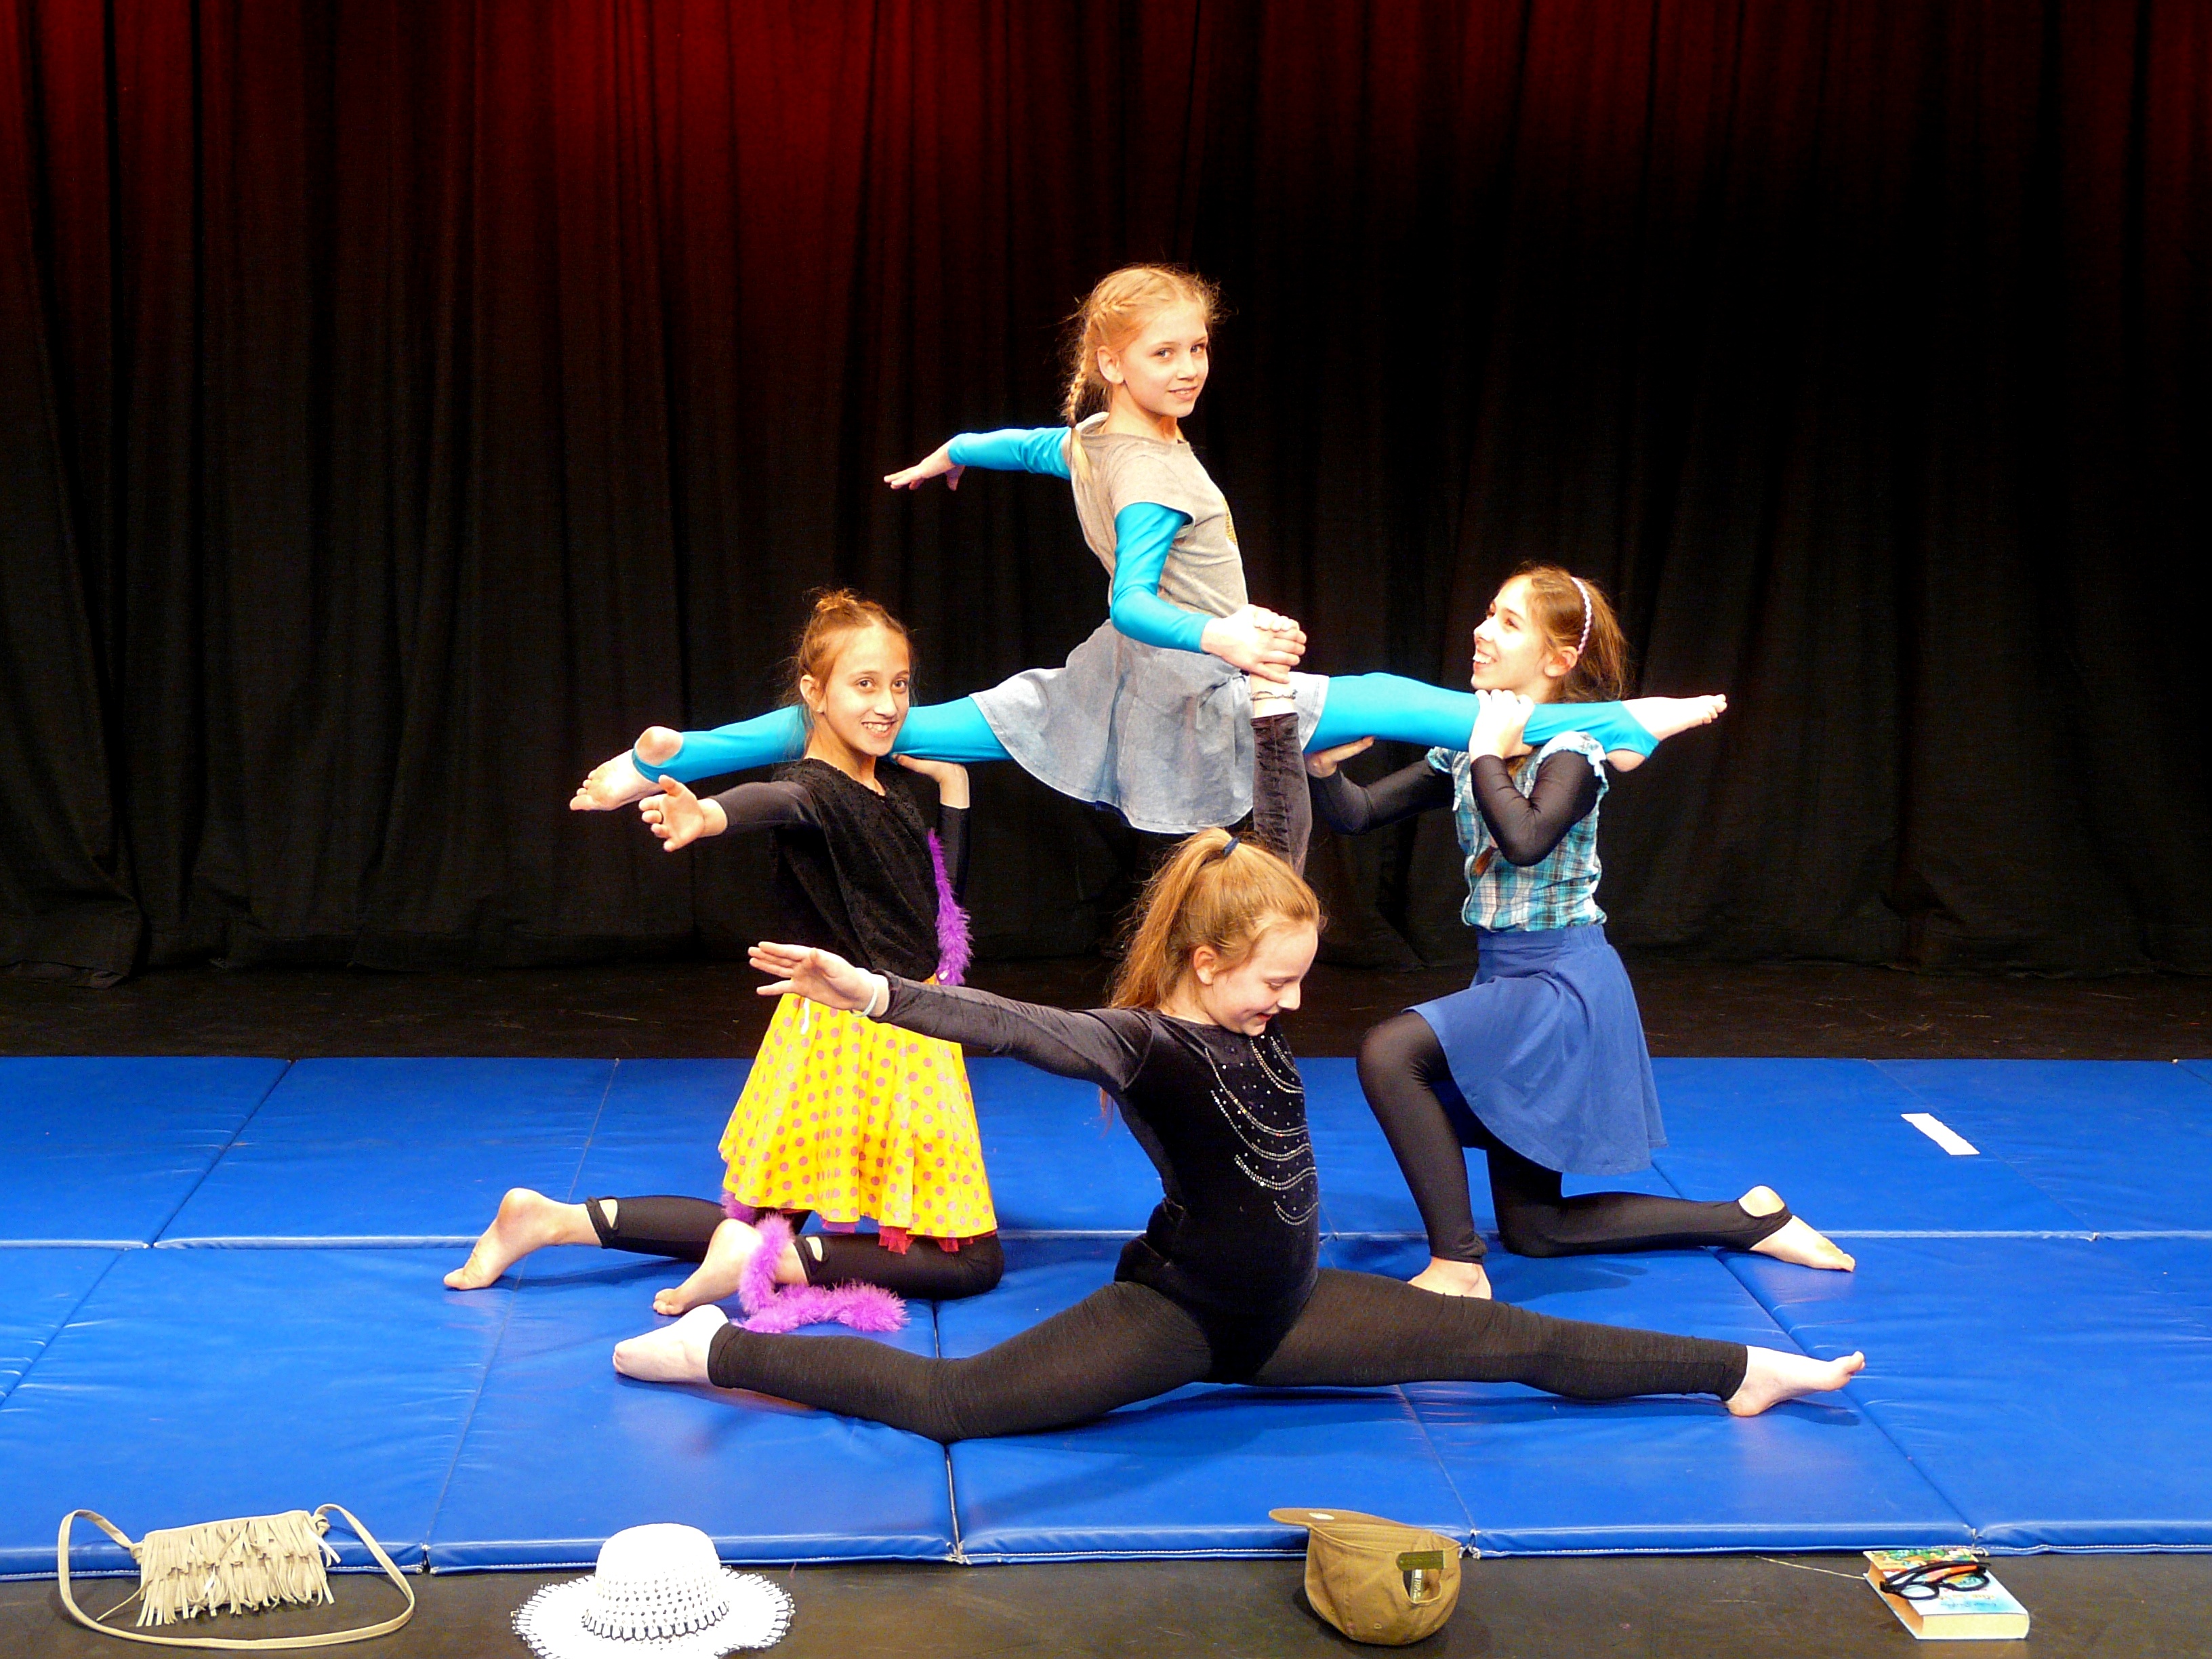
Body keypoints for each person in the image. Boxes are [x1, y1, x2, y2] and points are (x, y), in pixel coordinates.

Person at [607, 823, 1865, 1439]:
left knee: (1515, 1339)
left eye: (1300, 978)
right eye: (1275, 982)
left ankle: (1738, 1370)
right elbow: (1014, 1027)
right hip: (1184, 1317)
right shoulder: (1147, 1041)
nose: (1293, 1005)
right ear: (1205, 964)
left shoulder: (1245, 1001)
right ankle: (718, 1348)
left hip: (1292, 1307)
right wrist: (879, 992)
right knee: (954, 1404)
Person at [566, 266, 1725, 855]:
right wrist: (1224, 631)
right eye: (1165, 353)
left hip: (1108, 688)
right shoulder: (1152, 476)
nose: (1189, 369)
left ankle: (654, 760)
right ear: (1112, 360)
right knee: (1398, 699)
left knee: (878, 725)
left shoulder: (1102, 438)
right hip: (1190, 688)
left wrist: (955, 451)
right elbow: (1131, 598)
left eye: (1198, 349)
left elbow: (1034, 445)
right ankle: (1619, 722)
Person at [446, 592, 1002, 1322]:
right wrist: (706, 816)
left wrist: (956, 792)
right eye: (864, 684)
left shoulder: (887, 783)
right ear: (814, 693)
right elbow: (770, 802)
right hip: (869, 1039)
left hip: (869, 1028)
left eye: (900, 684)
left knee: (754, 1222)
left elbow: (939, 920)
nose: (888, 704)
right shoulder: (814, 788)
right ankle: (769, 1262)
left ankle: (552, 1221)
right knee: (970, 1261)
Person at [1309, 565, 1854, 1299]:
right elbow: (1359, 814)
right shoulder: (1466, 745)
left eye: (1508, 622)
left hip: (1561, 984)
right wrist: (1322, 772)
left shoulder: (1572, 750)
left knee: (1389, 1052)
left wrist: (1489, 753)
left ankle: (1457, 1264)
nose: (1482, 631)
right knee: (1540, 1230)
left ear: (1559, 660)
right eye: (1488, 613)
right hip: (1506, 977)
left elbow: (1526, 840)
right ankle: (1748, 1220)